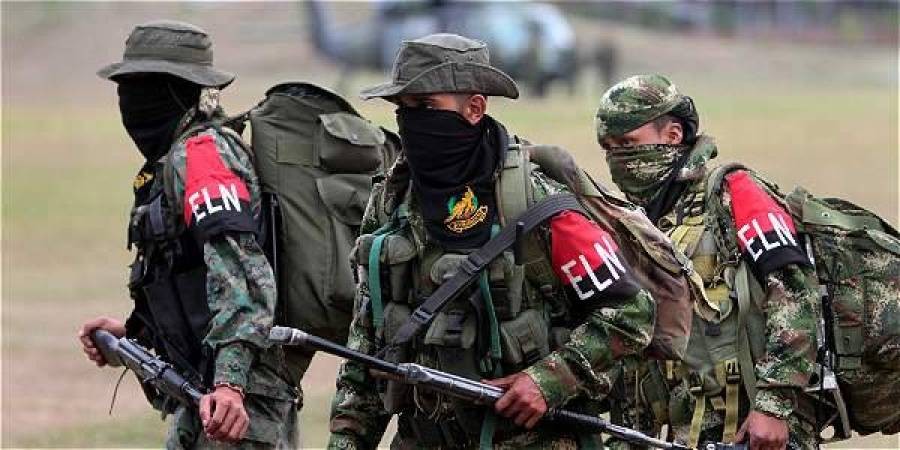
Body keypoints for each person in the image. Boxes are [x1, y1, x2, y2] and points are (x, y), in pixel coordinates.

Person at [326, 33, 656, 449]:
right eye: (403, 108)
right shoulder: (392, 202)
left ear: (475, 109)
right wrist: (346, 439)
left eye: (426, 106)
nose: (412, 121)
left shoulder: (534, 199)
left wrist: (549, 380)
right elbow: (367, 344)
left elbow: (632, 311)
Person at [77, 20, 296, 448]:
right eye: (126, 87)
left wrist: (230, 383)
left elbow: (245, 278)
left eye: (143, 87)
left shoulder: (203, 156)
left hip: (237, 405)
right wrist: (134, 333)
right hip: (203, 393)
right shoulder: (173, 162)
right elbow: (188, 273)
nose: (130, 101)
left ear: (179, 91)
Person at [594, 74, 821, 450]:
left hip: (756, 429)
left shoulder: (733, 191)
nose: (618, 158)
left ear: (672, 135)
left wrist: (774, 405)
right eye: (609, 148)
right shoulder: (635, 222)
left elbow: (796, 290)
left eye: (628, 143)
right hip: (689, 430)